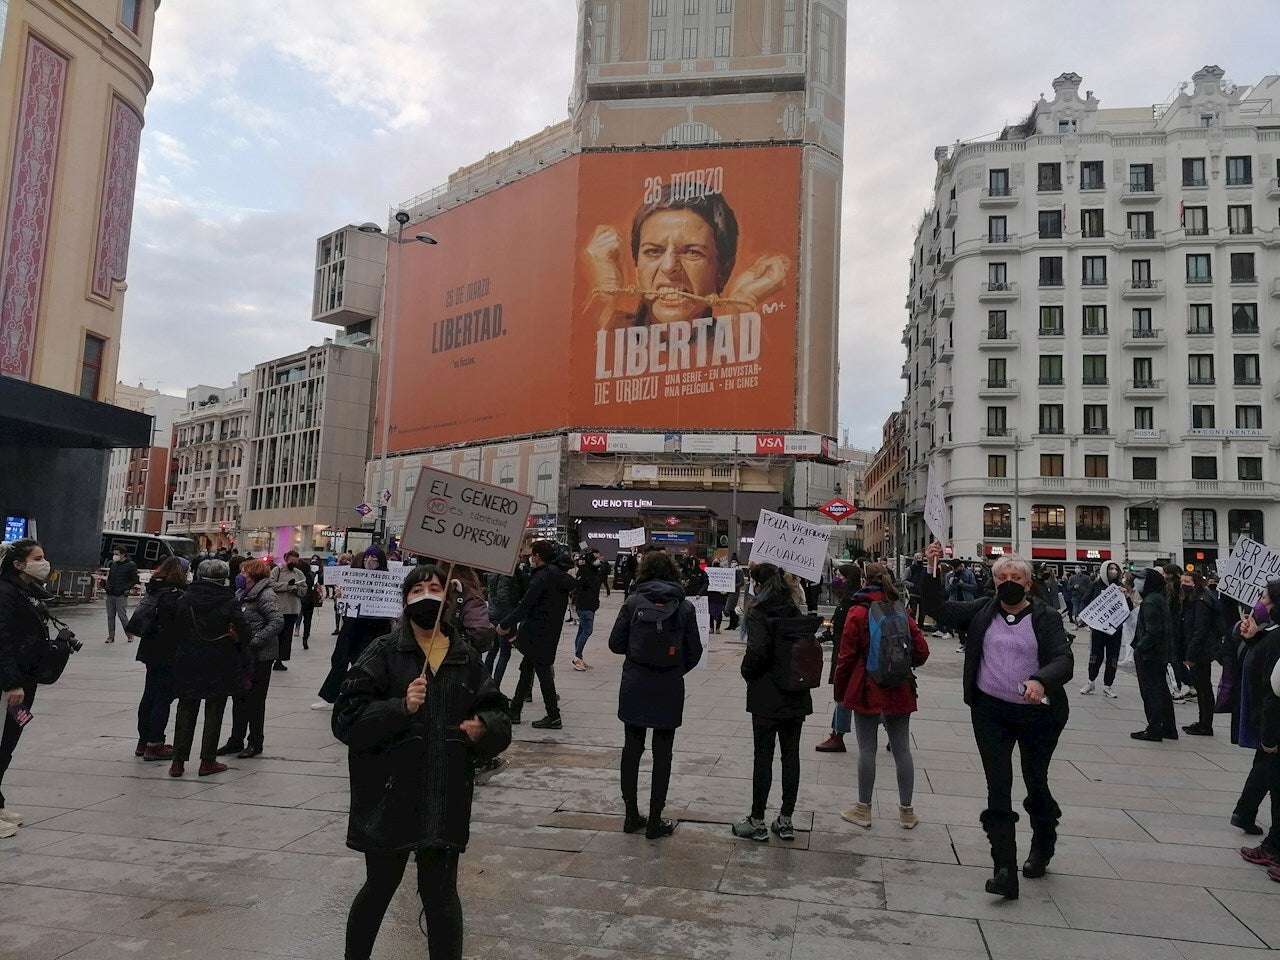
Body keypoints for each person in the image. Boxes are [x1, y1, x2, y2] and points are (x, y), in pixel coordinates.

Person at [333, 563, 510, 960]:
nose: (428, 595)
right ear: (405, 600)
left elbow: (497, 712)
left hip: (443, 795)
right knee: (379, 887)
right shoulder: (382, 653)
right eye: (418, 590)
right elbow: (346, 719)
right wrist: (399, 707)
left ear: (448, 599)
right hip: (389, 793)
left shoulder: (464, 656)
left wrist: (485, 728)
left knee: (441, 895)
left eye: (435, 588)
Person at [920, 541, 1073, 901]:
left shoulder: (1046, 616)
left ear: (1028, 583)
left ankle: (1043, 844)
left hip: (1039, 714)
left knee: (1035, 780)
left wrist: (1040, 680)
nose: (1009, 581)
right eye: (1002, 576)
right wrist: (932, 568)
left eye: (1016, 576)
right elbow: (937, 607)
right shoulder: (983, 610)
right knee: (998, 785)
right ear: (993, 581)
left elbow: (1063, 659)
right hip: (991, 711)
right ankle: (1003, 868)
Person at [608, 551, 702, 839]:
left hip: (635, 682)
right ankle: (656, 819)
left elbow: (615, 644)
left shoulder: (633, 601)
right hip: (669, 685)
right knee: (663, 753)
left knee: (631, 749)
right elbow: (694, 651)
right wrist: (674, 669)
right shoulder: (684, 607)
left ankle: (631, 814)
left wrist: (638, 657)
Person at [834, 562, 930, 829]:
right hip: (899, 688)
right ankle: (907, 812)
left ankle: (863, 809)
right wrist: (903, 666)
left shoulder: (858, 610)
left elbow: (846, 656)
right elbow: (922, 650)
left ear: (865, 580)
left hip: (867, 687)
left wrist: (840, 690)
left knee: (867, 749)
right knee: (902, 750)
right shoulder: (901, 609)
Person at [732, 563, 817, 843]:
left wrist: (747, 673)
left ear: (758, 584)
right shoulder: (792, 609)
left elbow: (757, 651)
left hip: (767, 694)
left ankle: (757, 820)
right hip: (796, 692)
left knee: (763, 756)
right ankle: (786, 819)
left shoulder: (759, 612)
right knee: (791, 756)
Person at [168, 559, 250, 777]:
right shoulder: (229, 600)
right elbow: (243, 630)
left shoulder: (184, 598)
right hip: (220, 661)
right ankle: (207, 760)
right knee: (215, 710)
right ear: (223, 577)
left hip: (188, 660)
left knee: (186, 709)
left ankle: (178, 761)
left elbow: (172, 628)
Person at [0, 538, 54, 838]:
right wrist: (12, 683)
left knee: (7, 744)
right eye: (38, 557)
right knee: (0, 743)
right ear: (19, 564)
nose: (44, 562)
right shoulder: (6, 593)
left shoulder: (26, 591)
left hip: (24, 680)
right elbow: (3, 641)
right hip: (11, 684)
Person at [498, 540, 574, 729]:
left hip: (537, 632)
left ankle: (553, 715)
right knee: (527, 669)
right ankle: (515, 710)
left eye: (532, 555)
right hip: (549, 631)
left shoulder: (542, 577)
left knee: (543, 674)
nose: (531, 558)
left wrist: (504, 624)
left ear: (537, 557)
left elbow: (526, 605)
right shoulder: (557, 575)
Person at [1234, 583, 1280, 872]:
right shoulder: (1270, 634)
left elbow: (1274, 690)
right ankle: (1273, 845)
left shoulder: (1276, 638)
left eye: (1264, 597)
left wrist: (1269, 735)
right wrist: (1250, 637)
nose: (1259, 601)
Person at [218, 559, 283, 759]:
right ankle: (235, 740)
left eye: (244, 573)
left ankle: (255, 742)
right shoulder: (241, 594)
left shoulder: (266, 595)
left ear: (254, 576)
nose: (241, 576)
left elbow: (277, 621)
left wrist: (256, 641)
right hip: (241, 654)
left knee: (255, 700)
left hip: (260, 656)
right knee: (239, 698)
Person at [132, 557, 188, 762]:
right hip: (168, 651)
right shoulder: (175, 595)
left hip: (150, 648)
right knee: (163, 697)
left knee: (149, 694)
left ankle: (143, 740)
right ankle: (154, 744)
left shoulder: (154, 588)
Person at [816, 563, 863, 753]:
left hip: (848, 654)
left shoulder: (853, 600)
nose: (836, 580)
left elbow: (847, 629)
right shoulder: (848, 598)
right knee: (852, 695)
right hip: (844, 650)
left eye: (840, 577)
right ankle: (891, 728)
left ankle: (838, 735)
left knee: (843, 694)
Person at [1130, 567, 1178, 742]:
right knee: (1162, 690)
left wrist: (1140, 648)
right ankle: (1168, 727)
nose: (1137, 582)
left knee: (1151, 693)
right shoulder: (1159, 598)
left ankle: (1154, 729)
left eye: (1141, 579)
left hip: (1150, 655)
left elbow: (1153, 632)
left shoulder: (1150, 602)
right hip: (1160, 654)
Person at [1179, 570, 1221, 736]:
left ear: (1195, 583)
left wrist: (1190, 654)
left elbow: (1200, 630)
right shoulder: (1196, 598)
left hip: (1201, 651)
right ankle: (1202, 721)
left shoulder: (1200, 601)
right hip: (1200, 649)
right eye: (1182, 581)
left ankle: (1206, 724)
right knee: (1201, 686)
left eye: (1187, 582)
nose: (1183, 584)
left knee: (1203, 688)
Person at [1078, 562, 1129, 698]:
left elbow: (1127, 607)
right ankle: (1091, 681)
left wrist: (1126, 595)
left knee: (1113, 657)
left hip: (1115, 630)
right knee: (1096, 655)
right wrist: (1082, 615)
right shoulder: (1095, 585)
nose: (1114, 571)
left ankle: (1108, 685)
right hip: (1098, 629)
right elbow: (1085, 601)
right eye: (1111, 569)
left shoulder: (1120, 587)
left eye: (1116, 569)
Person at [269, 551, 308, 671]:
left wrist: (296, 589)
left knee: (286, 637)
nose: (293, 564)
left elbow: (304, 589)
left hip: (292, 610)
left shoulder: (299, 573)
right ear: (286, 559)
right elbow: (271, 584)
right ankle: (271, 658)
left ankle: (280, 660)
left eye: (296, 562)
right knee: (275, 636)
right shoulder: (277, 571)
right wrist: (287, 586)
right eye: (291, 561)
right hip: (279, 609)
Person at [571, 548, 608, 671]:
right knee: (587, 630)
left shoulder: (586, 572)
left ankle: (578, 657)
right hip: (586, 605)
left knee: (582, 630)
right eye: (594, 559)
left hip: (587, 605)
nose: (597, 561)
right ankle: (577, 657)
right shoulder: (587, 573)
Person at [483, 569, 521, 683]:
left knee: (493, 650)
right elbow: (503, 598)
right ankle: (495, 685)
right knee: (504, 653)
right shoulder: (505, 575)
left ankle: (486, 683)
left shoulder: (493, 573)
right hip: (502, 617)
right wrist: (508, 621)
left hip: (494, 614)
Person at [103, 546, 140, 643]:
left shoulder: (131, 565)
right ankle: (111, 636)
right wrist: (107, 587)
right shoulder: (114, 565)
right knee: (110, 616)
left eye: (116, 554)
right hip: (111, 593)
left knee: (122, 615)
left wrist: (126, 588)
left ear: (123, 554)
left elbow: (134, 579)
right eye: (114, 554)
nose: (114, 556)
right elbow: (110, 578)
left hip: (121, 594)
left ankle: (129, 634)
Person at [945, 559, 977, 653]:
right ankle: (963, 643)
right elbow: (946, 590)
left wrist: (962, 584)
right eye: (953, 568)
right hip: (954, 602)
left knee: (969, 624)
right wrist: (952, 584)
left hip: (967, 601)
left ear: (960, 566)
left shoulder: (968, 574)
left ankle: (969, 643)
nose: (955, 570)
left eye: (956, 567)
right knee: (959, 625)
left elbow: (974, 587)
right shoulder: (949, 575)